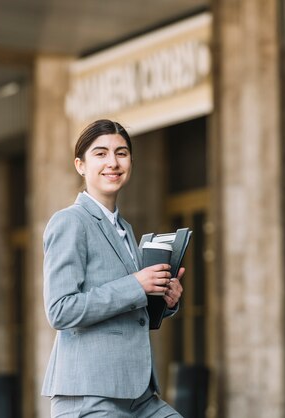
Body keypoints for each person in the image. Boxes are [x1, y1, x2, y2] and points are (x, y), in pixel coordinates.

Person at [41, 119, 185, 417]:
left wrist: (164, 299)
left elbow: (130, 311)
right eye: (101, 153)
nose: (113, 162)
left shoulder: (124, 229)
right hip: (90, 394)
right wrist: (136, 284)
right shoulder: (70, 222)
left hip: (138, 395)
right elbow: (61, 310)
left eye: (121, 153)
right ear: (80, 165)